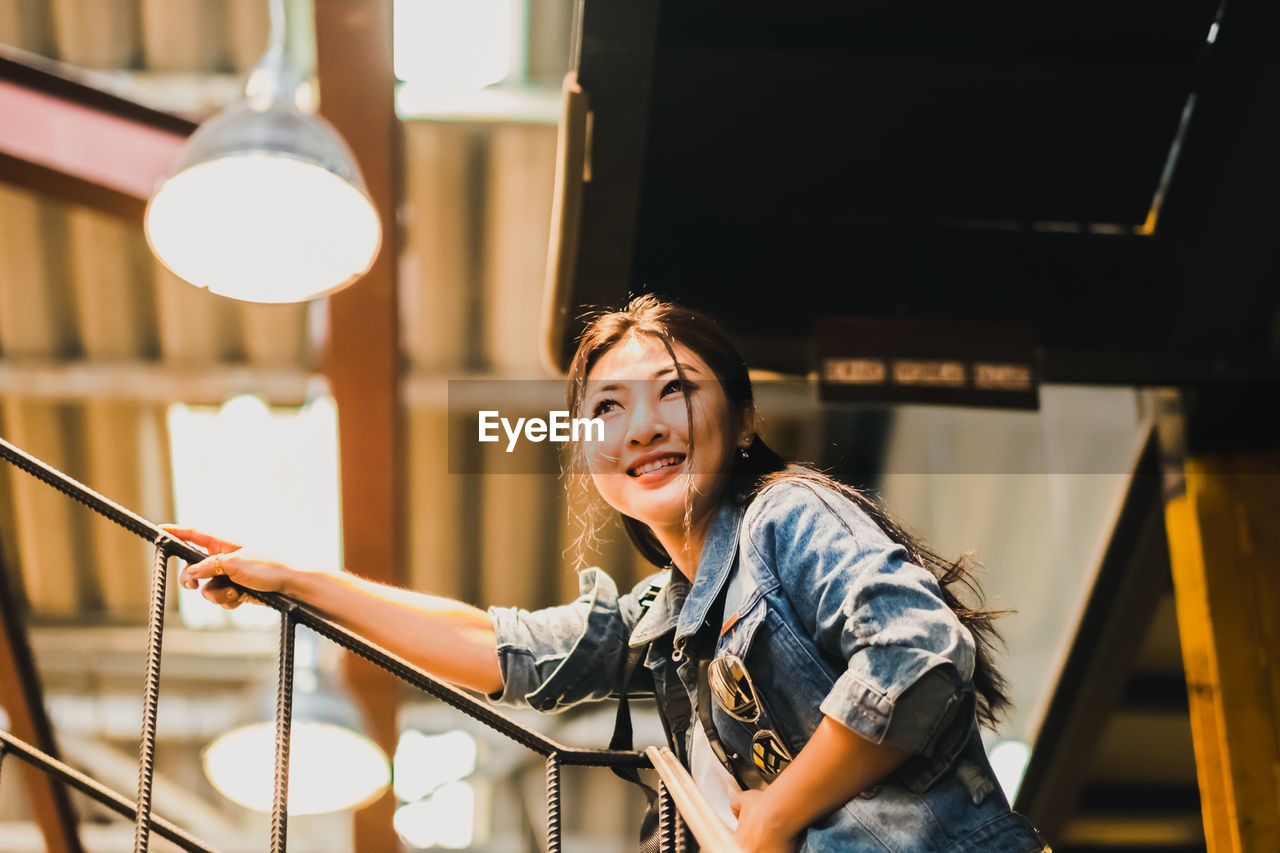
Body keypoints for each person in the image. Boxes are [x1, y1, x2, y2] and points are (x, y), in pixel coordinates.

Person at [169, 296, 1049, 852]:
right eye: (607, 409)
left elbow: (919, 652)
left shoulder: (786, 512)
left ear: (741, 420)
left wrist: (774, 815)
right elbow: (497, 648)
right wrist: (298, 581)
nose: (642, 426)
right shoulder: (664, 619)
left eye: (675, 390)